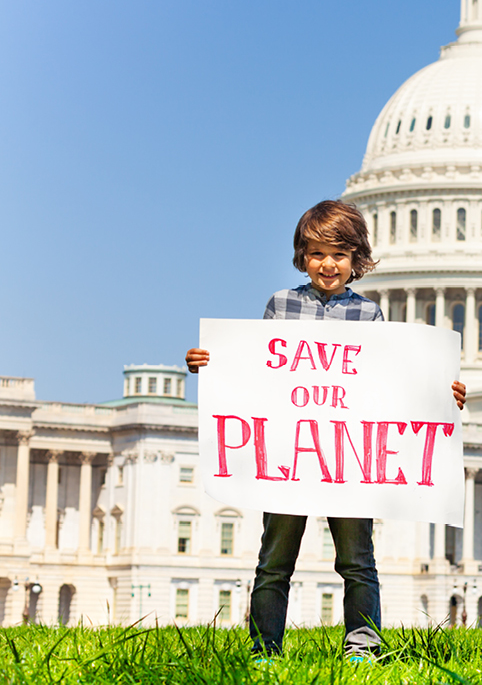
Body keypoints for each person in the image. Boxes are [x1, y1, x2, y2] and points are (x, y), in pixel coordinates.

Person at [185, 199, 466, 660]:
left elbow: (385, 385)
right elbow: (256, 369)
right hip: (288, 455)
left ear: (356, 260)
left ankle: (362, 645)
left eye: (338, 254)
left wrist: (440, 395)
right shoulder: (281, 304)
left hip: (347, 459)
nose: (327, 264)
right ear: (302, 257)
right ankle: (265, 648)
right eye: (316, 254)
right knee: (274, 561)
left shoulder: (369, 315)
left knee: (357, 561)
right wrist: (210, 365)